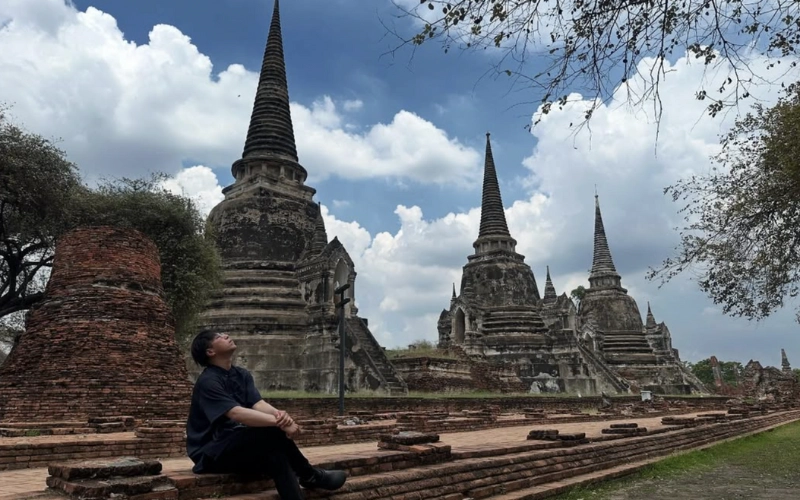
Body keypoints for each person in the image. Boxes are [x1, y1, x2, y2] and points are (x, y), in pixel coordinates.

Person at [186, 329, 347, 500]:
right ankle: (310, 475)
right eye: (219, 337)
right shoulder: (208, 381)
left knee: (275, 454)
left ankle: (308, 479)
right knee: (271, 432)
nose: (226, 335)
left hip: (235, 444)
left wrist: (281, 416)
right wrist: (280, 423)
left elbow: (258, 404)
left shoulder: (241, 374)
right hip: (211, 452)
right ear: (210, 352)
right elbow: (236, 413)